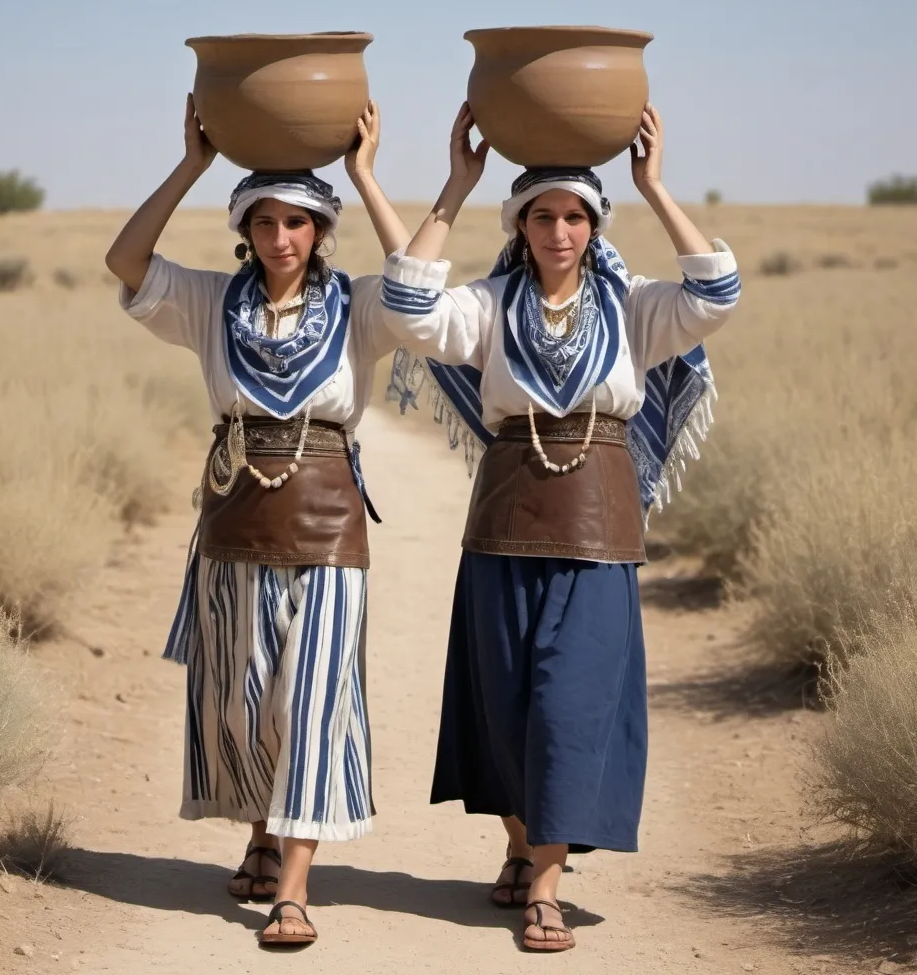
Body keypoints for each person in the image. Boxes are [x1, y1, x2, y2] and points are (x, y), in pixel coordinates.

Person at [381, 103, 741, 952]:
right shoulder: (490, 302)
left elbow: (718, 293)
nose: (558, 229)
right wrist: (457, 184)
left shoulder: (636, 308)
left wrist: (651, 184)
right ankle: (520, 844)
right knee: (505, 699)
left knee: (569, 701)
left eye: (575, 215)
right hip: (504, 518)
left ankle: (544, 884)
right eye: (542, 215)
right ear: (521, 225)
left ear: (593, 225)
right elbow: (405, 307)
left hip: (599, 523)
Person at [105, 95, 409, 948]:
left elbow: (420, 286)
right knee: (245, 702)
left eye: (299, 223)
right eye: (267, 222)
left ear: (321, 232)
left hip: (327, 524)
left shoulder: (358, 306)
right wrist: (194, 165)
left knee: (312, 700)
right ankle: (260, 834)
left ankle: (295, 890)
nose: (282, 238)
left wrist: (364, 174)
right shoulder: (209, 303)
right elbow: (125, 259)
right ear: (245, 231)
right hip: (233, 521)